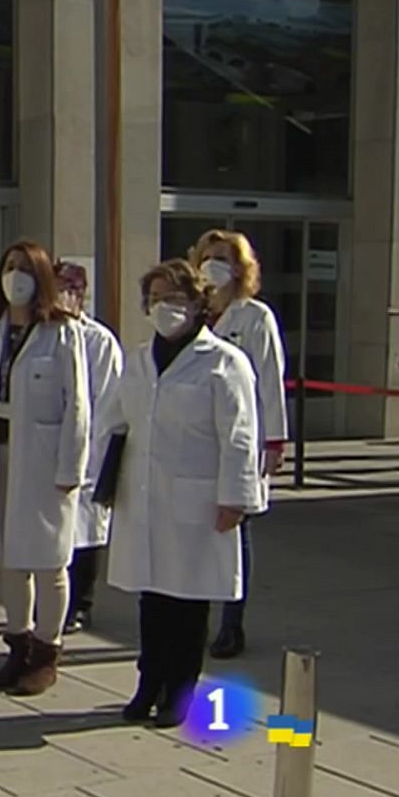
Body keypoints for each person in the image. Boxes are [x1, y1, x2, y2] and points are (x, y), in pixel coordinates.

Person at [103, 259, 261, 727]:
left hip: (198, 498)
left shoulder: (224, 362)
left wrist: (236, 498)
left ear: (197, 304)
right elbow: (116, 418)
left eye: (174, 299)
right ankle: (148, 680)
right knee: (152, 599)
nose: (164, 308)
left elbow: (239, 435)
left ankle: (181, 691)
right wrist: (104, 480)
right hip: (145, 495)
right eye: (155, 299)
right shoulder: (138, 359)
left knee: (188, 602)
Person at [0, 240, 90, 696]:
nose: (15, 277)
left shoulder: (62, 332)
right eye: (9, 268)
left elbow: (78, 405)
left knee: (49, 560)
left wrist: (70, 467)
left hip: (44, 458)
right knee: (10, 558)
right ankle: (16, 644)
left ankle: (46, 650)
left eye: (25, 270)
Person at [190, 229, 286, 660]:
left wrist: (273, 441)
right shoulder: (192, 313)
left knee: (234, 532)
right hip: (193, 442)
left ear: (241, 267)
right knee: (195, 533)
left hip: (238, 441)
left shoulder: (254, 318)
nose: (214, 265)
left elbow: (269, 381)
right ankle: (192, 618)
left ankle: (232, 625)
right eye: (208, 257)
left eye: (224, 258)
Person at [54, 260, 123, 634]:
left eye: (73, 289)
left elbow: (109, 402)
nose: (67, 295)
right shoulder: (43, 334)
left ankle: (82, 603)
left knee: (88, 532)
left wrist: (95, 454)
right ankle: (54, 601)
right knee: (57, 534)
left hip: (91, 451)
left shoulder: (99, 341)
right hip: (51, 449)